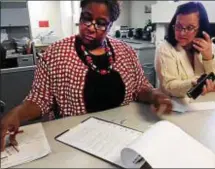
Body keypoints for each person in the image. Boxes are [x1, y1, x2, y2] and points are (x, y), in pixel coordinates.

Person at [1, 0, 172, 151]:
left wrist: (154, 94)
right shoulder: (55, 54)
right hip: (73, 141)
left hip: (122, 135)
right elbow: (40, 99)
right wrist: (17, 113)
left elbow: (140, 87)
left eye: (100, 23)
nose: (90, 27)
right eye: (86, 18)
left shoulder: (125, 52)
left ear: (111, 25)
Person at [155, 2, 215, 98]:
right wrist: (192, 84)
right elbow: (169, 86)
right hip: (175, 106)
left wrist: (208, 58)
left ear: (201, 28)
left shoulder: (209, 47)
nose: (182, 33)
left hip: (206, 105)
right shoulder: (165, 48)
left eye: (190, 27)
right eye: (178, 26)